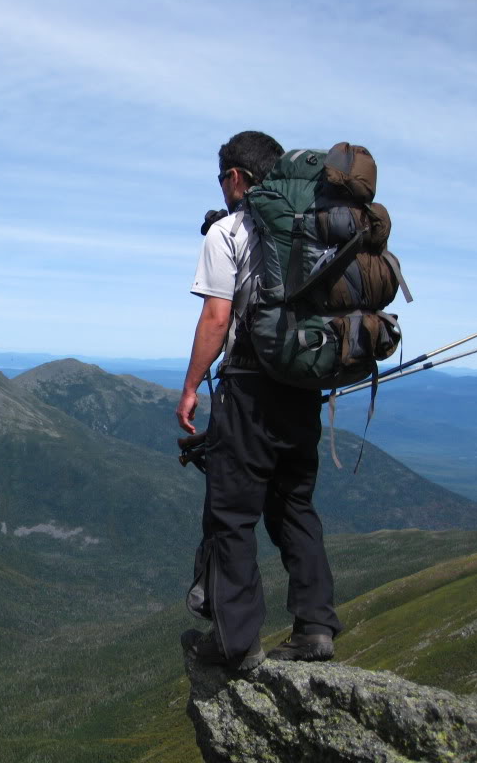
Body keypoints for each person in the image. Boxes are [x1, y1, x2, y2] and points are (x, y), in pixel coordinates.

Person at [176, 131, 343, 671]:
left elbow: (216, 317)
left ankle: (237, 641)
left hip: (248, 386)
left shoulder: (228, 232)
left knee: (231, 513)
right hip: (303, 386)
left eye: (221, 179)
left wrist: (191, 386)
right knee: (294, 504)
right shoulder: (317, 228)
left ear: (235, 177)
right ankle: (315, 627)